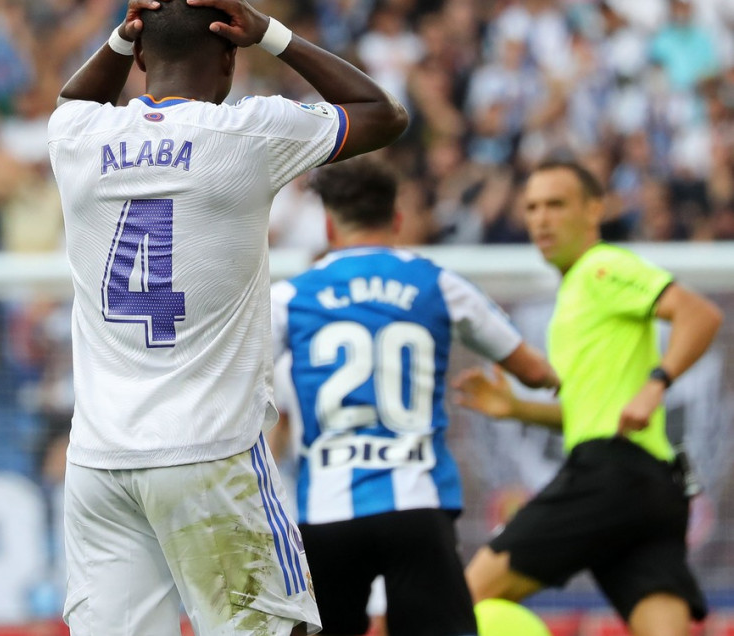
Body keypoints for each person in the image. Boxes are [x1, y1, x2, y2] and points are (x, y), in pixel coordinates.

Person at [47, 0, 408, 633]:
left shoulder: (76, 137)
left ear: (139, 58)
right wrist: (272, 32)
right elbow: (385, 114)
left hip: (100, 463)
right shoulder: (249, 133)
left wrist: (122, 39)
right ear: (229, 57)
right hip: (210, 453)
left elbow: (73, 97)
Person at [269, 156, 559, 636]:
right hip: (417, 504)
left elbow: (237, 372)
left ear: (329, 225)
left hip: (326, 509)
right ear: (397, 219)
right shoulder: (438, 282)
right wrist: (550, 379)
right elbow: (533, 370)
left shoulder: (291, 296)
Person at [454, 159, 723, 636]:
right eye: (532, 207)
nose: (541, 219)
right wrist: (517, 409)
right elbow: (589, 414)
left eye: (556, 205)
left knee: (463, 600)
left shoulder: (601, 268)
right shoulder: (574, 296)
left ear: (595, 208)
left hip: (611, 474)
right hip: (655, 489)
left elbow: (700, 314)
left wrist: (656, 383)